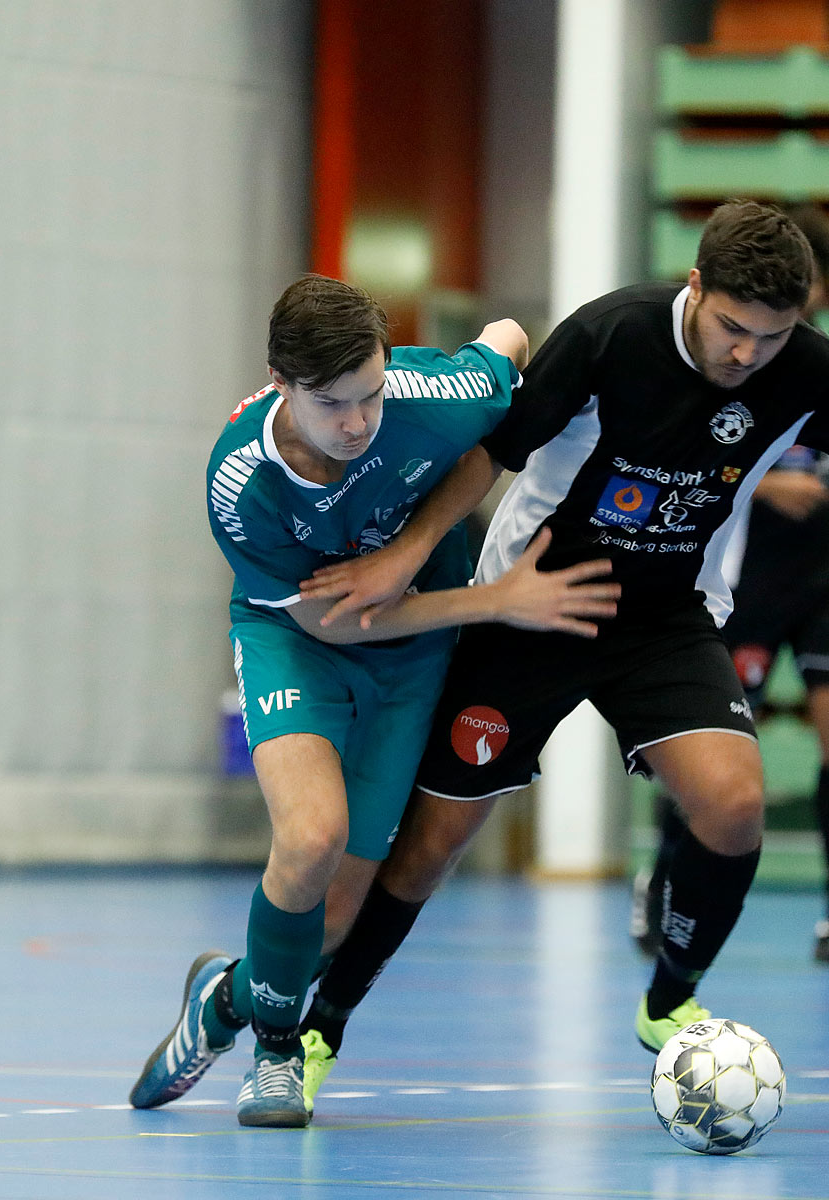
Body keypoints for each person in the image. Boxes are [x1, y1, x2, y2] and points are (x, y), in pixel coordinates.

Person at [290, 200, 829, 1105]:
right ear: (695, 286)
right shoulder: (608, 335)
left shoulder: (810, 369)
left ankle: (669, 1000)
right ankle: (321, 1028)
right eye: (732, 328)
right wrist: (404, 557)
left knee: (733, 803)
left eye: (773, 335)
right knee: (432, 845)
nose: (748, 354)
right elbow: (494, 454)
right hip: (535, 603)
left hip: (664, 617)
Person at [128, 274, 620, 1128]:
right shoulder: (240, 485)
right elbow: (339, 621)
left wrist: (418, 544)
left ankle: (223, 1001)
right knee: (311, 836)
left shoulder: (426, 396)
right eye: (330, 404)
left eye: (371, 393)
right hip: (301, 640)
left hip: (411, 653)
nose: (357, 423)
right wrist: (495, 599)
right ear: (280, 384)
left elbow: (506, 338)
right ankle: (277, 1055)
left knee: (336, 921)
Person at [634, 203, 829, 965]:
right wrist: (763, 489)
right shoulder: (730, 357)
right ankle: (658, 891)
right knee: (706, 751)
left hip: (827, 578)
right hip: (744, 577)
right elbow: (694, 452)